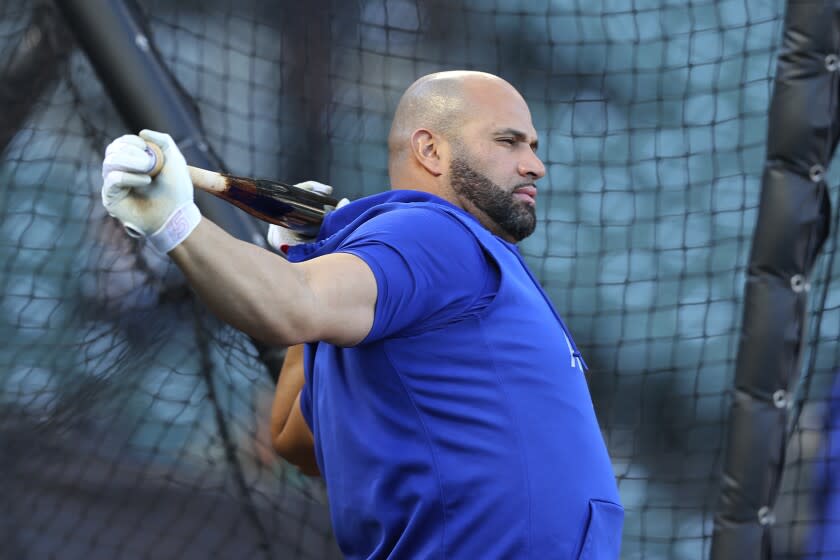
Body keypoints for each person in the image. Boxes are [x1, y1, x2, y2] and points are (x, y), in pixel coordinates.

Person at [101, 70, 624, 559]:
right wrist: (175, 221)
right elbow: (296, 306)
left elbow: (296, 440)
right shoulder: (435, 233)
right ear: (431, 149)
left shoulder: (434, 265)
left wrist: (308, 263)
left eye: (533, 146)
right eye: (508, 142)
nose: (535, 164)